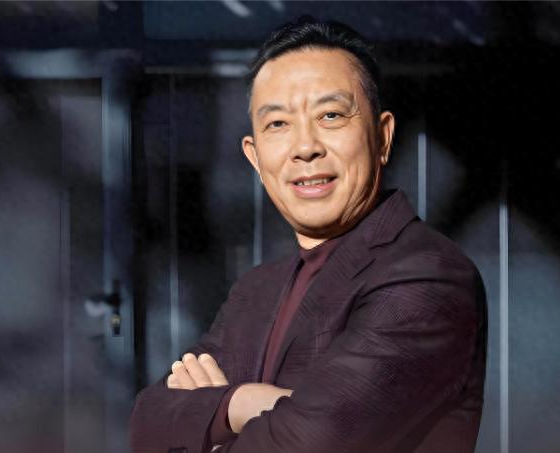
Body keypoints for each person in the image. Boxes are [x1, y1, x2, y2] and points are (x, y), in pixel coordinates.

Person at [130, 18, 487, 453]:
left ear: (382, 137)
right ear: (255, 157)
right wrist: (244, 402)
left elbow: (315, 441)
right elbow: (147, 424)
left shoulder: (428, 275)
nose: (305, 148)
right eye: (278, 124)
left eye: (330, 115)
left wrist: (214, 424)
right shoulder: (258, 289)